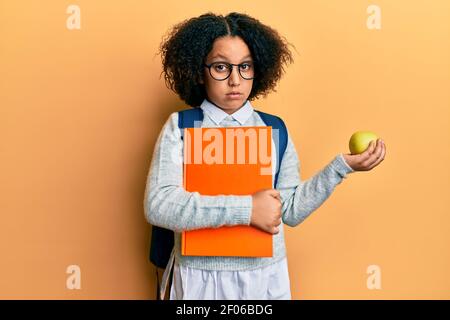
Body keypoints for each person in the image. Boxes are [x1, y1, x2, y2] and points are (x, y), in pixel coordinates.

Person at [143, 12, 386, 300]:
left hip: (265, 279)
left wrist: (341, 167)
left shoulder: (275, 129)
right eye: (221, 67)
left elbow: (290, 211)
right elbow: (159, 205)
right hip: (198, 279)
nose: (235, 79)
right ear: (199, 70)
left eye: (245, 66)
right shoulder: (180, 127)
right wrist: (247, 210)